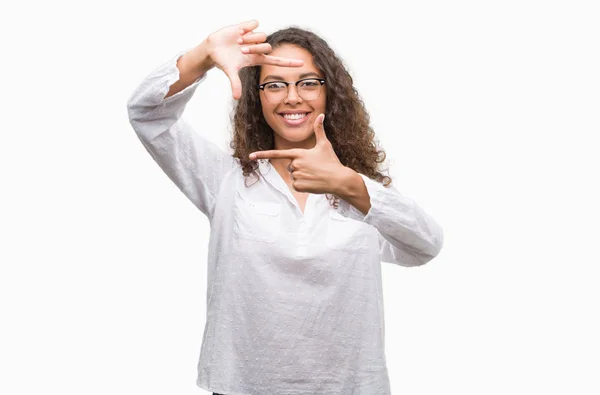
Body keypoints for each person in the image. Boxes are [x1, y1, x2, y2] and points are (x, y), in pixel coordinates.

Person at [127, 19, 443, 395]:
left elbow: (425, 245)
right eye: (274, 84)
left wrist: (350, 185)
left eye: (308, 82)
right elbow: (147, 115)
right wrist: (202, 56)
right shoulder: (226, 181)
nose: (292, 97)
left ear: (330, 93)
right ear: (257, 96)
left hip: (350, 387)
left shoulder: (357, 190)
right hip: (243, 386)